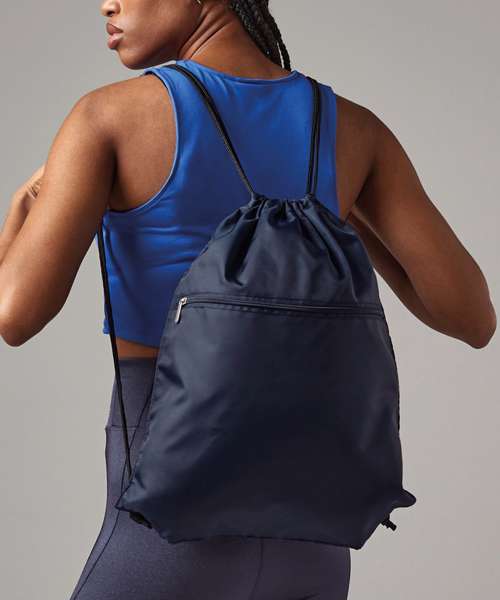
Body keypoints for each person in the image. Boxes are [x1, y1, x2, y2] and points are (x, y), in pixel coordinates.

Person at [0, 1, 496, 599]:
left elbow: (14, 315)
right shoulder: (354, 128)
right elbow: (473, 318)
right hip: (314, 558)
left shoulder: (107, 116)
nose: (107, 3)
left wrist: (20, 212)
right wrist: (338, 206)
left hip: (165, 549)